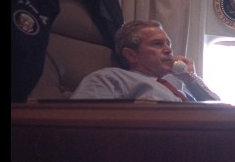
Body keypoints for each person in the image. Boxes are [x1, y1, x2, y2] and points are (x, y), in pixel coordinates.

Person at [71, 20, 220, 102]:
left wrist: (189, 78)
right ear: (131, 55)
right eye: (157, 44)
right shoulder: (109, 78)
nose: (169, 50)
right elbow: (82, 122)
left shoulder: (179, 92)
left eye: (168, 44)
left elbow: (219, 112)